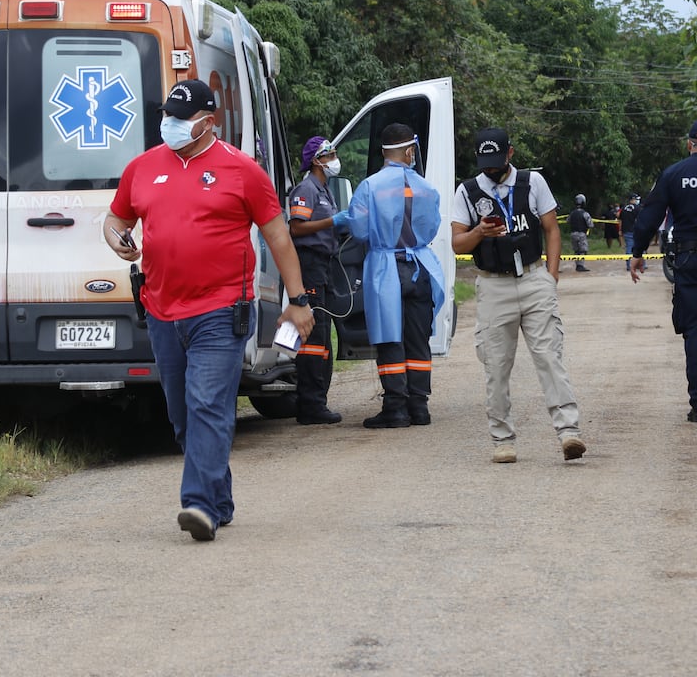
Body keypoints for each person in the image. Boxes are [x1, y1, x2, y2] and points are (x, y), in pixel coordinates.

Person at [105, 79, 315, 542]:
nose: (171, 125)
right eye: (168, 116)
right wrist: (117, 237)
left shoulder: (242, 170)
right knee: (182, 414)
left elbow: (279, 236)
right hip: (160, 309)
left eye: (181, 118)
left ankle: (198, 504)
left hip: (221, 308)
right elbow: (117, 216)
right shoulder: (142, 168)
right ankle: (218, 496)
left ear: (208, 121)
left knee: (208, 405)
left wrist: (296, 301)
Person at [450, 127, 587, 464]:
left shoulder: (532, 183)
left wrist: (551, 278)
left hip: (532, 277)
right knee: (496, 365)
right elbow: (456, 244)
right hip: (493, 284)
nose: (491, 169)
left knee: (549, 355)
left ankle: (569, 431)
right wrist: (480, 231)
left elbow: (552, 229)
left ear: (509, 154)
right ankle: (502, 439)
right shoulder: (467, 191)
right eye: (485, 163)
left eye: (497, 161)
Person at [334, 123, 445, 429]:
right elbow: (433, 226)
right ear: (410, 150)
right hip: (420, 266)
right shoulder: (427, 187)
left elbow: (357, 229)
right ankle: (419, 407)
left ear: (384, 151)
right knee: (418, 338)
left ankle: (395, 408)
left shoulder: (370, 186)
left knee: (389, 337)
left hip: (386, 267)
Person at [630, 118, 697, 423]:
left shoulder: (673, 174)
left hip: (690, 261)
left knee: (695, 335)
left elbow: (650, 214)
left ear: (689, 144)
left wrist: (637, 252)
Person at [285, 135, 344, 425]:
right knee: (312, 336)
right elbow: (297, 228)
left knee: (322, 334)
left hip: (324, 264)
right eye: (329, 154)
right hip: (308, 264)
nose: (334, 158)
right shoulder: (306, 189)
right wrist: (333, 222)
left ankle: (316, 399)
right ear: (316, 160)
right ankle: (310, 404)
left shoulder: (324, 189)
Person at [567, 193, 593, 272]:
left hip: (573, 233)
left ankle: (578, 264)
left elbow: (568, 221)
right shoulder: (585, 213)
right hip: (581, 234)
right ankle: (580, 265)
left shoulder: (572, 213)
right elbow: (590, 224)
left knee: (576, 250)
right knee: (583, 250)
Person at [621, 192, 641, 270]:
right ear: (632, 199)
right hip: (636, 231)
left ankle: (629, 265)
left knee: (629, 248)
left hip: (626, 231)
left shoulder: (624, 208)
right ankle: (641, 265)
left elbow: (620, 219)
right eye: (636, 199)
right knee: (639, 247)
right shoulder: (637, 208)